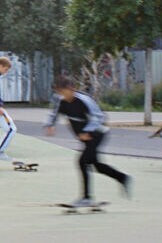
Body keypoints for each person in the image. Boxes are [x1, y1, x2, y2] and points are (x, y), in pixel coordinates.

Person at [44, 77, 131, 206]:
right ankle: (122, 177)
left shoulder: (84, 101)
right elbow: (54, 113)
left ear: (72, 89)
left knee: (82, 161)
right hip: (85, 137)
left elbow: (99, 117)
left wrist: (88, 132)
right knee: (97, 165)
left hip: (97, 134)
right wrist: (50, 124)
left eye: (63, 92)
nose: (61, 95)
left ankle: (86, 197)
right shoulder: (61, 101)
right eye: (59, 92)